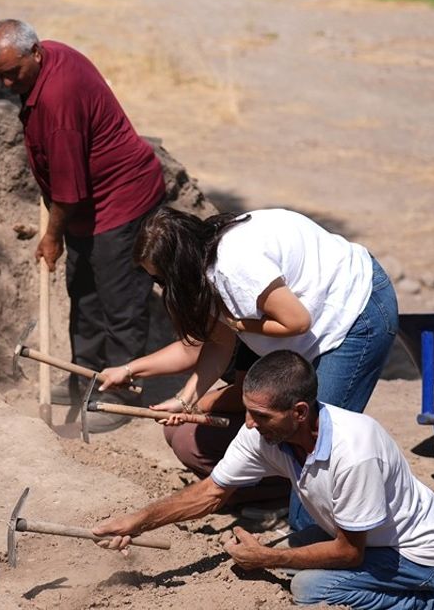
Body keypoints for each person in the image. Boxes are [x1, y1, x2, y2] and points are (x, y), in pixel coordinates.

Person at [93, 350, 434, 610]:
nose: (248, 424)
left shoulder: (355, 451)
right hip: (369, 539)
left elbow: (349, 552)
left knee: (308, 587)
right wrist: (137, 521)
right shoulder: (262, 431)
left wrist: (266, 558)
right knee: (292, 559)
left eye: (259, 415)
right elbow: (212, 493)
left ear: (300, 411)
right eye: (247, 410)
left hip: (418, 554)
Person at [97, 207, 398, 525]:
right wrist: (185, 399)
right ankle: (291, 503)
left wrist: (240, 323)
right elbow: (217, 343)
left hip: (356, 312)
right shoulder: (210, 264)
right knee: (289, 442)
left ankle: (321, 536)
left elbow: (296, 321)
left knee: (319, 441)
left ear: (179, 266)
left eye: (159, 277)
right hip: (319, 319)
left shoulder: (234, 268)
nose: (158, 286)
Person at [0, 19, 166, 431]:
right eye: (0, 75)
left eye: (14, 73)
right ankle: (86, 376)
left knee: (119, 301)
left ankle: (120, 395)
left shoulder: (59, 98)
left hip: (121, 200)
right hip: (89, 202)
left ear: (35, 53)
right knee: (83, 291)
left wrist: (51, 237)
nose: (9, 83)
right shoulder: (45, 59)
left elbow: (68, 193)